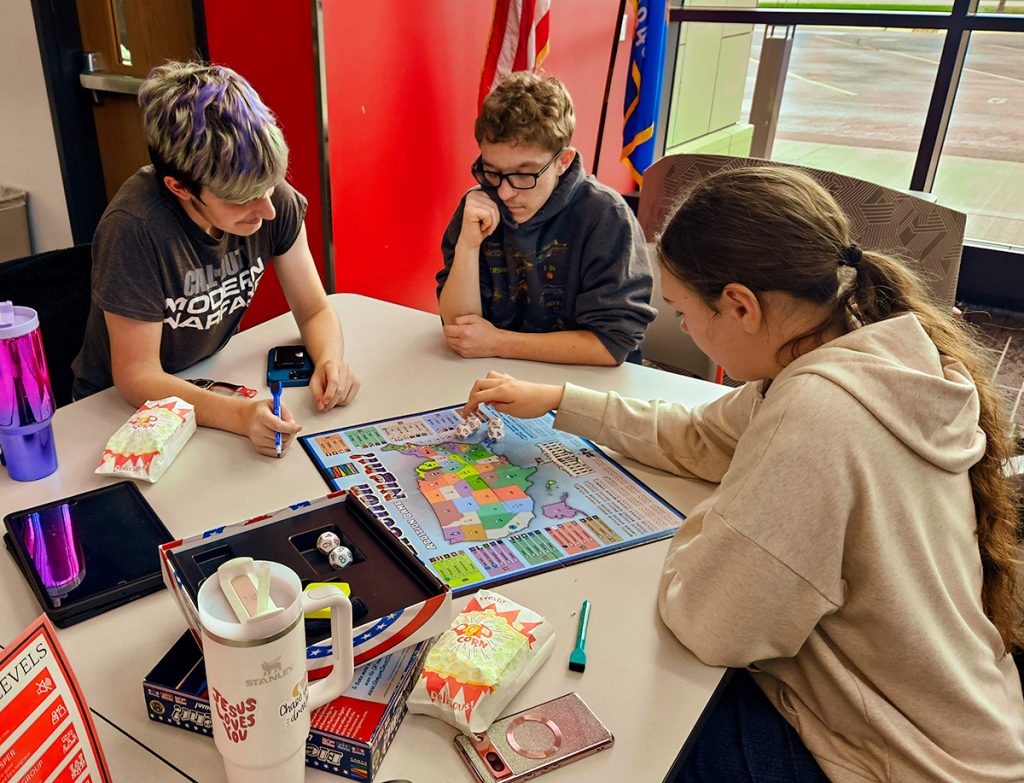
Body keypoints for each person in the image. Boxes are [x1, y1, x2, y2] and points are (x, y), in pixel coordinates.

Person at [463, 167, 1024, 781]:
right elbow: (705, 436)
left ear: (739, 305)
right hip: (955, 715)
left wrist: (723, 514)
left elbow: (712, 623)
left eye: (681, 312)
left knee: (622, 742)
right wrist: (562, 400)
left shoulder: (816, 415)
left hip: (899, 759)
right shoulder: (854, 346)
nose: (682, 329)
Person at [71, 61, 359, 456]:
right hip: (113, 413)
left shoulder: (273, 202)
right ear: (180, 187)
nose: (267, 210)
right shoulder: (134, 228)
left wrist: (330, 360)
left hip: (203, 381)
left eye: (269, 185)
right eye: (241, 199)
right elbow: (137, 376)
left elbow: (312, 309)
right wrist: (239, 415)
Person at [436, 72, 655, 366]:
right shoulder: (480, 205)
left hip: (585, 382)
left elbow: (610, 345)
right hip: (498, 371)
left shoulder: (605, 216)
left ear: (563, 162)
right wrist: (468, 246)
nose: (505, 192)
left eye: (524, 174)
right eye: (492, 171)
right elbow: (462, 328)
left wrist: (499, 342)